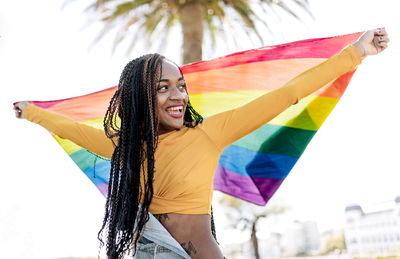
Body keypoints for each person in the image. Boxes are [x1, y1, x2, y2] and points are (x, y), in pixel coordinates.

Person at [14, 28, 389, 259]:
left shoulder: (209, 132)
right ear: (138, 98)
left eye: (181, 85)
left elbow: (287, 93)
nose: (177, 95)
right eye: (162, 88)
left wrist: (357, 51)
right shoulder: (125, 148)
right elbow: (68, 128)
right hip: (149, 250)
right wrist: (32, 111)